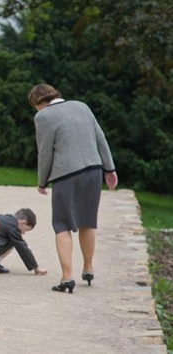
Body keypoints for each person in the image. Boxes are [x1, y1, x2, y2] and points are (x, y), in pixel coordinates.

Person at [28, 83, 117, 294]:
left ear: (38, 103)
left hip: (65, 174)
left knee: (62, 224)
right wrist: (110, 168)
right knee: (88, 221)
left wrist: (42, 181)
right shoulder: (81, 106)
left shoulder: (43, 117)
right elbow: (101, 139)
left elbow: (45, 152)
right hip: (93, 170)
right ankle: (88, 268)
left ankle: (67, 277)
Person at [0, 208, 48, 275]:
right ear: (23, 222)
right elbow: (23, 248)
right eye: (26, 229)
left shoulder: (4, 218)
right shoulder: (13, 227)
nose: (23, 233)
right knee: (15, 241)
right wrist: (36, 268)